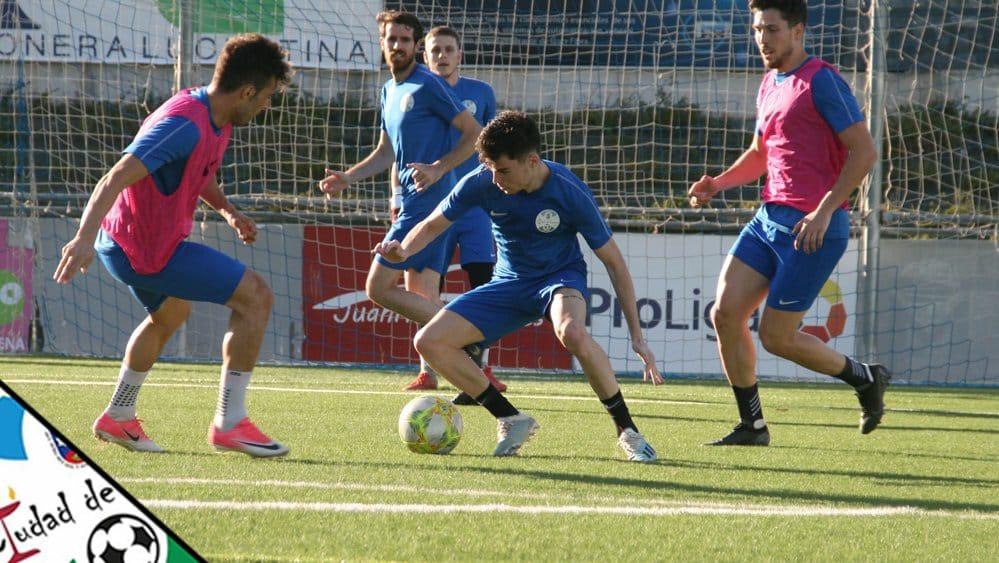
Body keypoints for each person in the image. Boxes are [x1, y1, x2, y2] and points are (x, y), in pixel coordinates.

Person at [53, 34, 293, 457]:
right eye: (267, 97)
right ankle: (230, 422)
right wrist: (82, 238)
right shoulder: (185, 123)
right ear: (248, 90)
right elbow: (116, 175)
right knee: (256, 297)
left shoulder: (213, 115)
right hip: (143, 249)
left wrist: (228, 212)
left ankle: (118, 416)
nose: (266, 107)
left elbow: (198, 172)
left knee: (171, 313)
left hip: (127, 241)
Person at [375, 111, 663, 461]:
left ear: (532, 161)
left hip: (559, 279)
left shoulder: (568, 190)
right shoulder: (482, 181)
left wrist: (637, 336)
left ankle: (628, 432)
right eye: (491, 169)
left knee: (572, 332)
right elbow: (434, 224)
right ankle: (511, 419)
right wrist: (403, 249)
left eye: (504, 170)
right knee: (429, 342)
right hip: (509, 283)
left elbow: (614, 263)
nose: (495, 179)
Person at [687, 0, 889, 446]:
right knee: (724, 313)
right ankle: (752, 425)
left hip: (813, 230)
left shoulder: (823, 81)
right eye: (758, 29)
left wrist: (823, 210)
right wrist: (717, 183)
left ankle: (865, 378)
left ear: (797, 31)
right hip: (768, 220)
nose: (763, 38)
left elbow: (865, 152)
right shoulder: (768, 82)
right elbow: (761, 154)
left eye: (772, 30)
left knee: (777, 337)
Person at [318, 11, 482, 385]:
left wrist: (440, 168)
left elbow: (474, 133)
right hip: (410, 202)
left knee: (377, 287)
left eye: (405, 41)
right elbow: (386, 151)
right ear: (382, 43)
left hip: (431, 203)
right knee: (420, 289)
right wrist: (348, 177)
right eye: (391, 39)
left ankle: (467, 331)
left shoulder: (428, 85)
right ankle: (451, 357)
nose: (397, 46)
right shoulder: (389, 90)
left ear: (415, 47)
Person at [390, 25, 507, 401]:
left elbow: (490, 145)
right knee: (421, 287)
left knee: (482, 283)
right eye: (434, 49)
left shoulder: (481, 93)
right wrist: (395, 196)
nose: (441, 55)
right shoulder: (417, 91)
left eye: (448, 49)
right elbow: (399, 151)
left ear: (460, 55)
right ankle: (428, 370)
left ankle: (481, 366)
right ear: (424, 56)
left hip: (472, 206)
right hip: (430, 205)